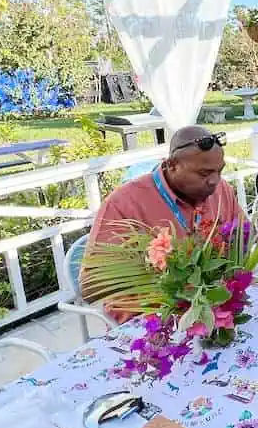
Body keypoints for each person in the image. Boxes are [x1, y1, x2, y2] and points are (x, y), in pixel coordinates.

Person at [81, 125, 247, 315]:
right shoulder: (124, 204)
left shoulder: (221, 189)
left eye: (219, 171)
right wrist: (165, 271)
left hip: (212, 309)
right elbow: (90, 287)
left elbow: (246, 235)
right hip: (150, 322)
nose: (214, 181)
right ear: (172, 165)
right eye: (204, 173)